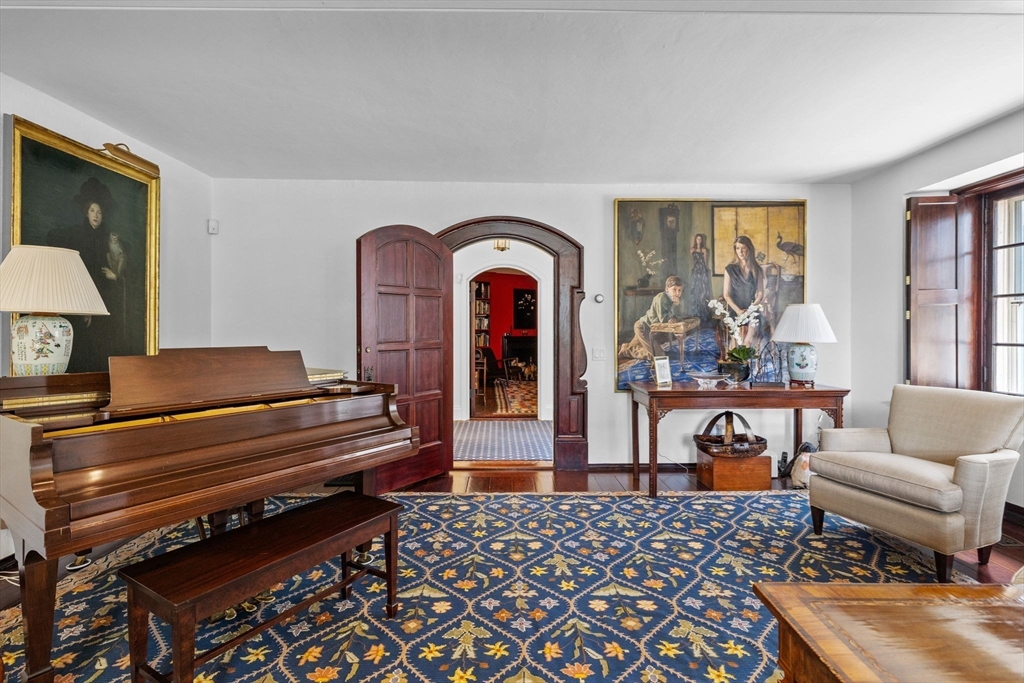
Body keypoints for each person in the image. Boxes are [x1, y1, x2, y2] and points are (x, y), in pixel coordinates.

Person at [47, 177, 136, 371]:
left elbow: (126, 269)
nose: (96, 215)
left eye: (99, 212)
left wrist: (117, 276)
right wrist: (85, 305)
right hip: (81, 301)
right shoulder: (75, 235)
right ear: (86, 213)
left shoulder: (110, 239)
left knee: (104, 346)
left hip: (106, 302)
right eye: (92, 211)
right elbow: (74, 271)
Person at [618, 275, 686, 361]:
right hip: (643, 327)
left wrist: (676, 314)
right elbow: (663, 320)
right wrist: (675, 307)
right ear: (667, 289)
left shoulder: (674, 300)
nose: (677, 293)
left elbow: (680, 316)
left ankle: (628, 348)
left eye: (679, 290)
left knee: (636, 346)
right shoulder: (661, 298)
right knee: (659, 356)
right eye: (674, 290)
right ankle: (627, 351)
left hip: (651, 328)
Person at [722, 234, 765, 348]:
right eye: (737, 248)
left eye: (743, 248)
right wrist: (738, 311)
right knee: (736, 340)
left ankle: (745, 361)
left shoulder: (757, 270)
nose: (740, 251)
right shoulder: (730, 269)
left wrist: (750, 310)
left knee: (749, 337)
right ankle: (734, 361)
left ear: (749, 249)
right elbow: (726, 294)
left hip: (751, 309)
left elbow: (760, 294)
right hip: (735, 309)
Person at [689, 233, 713, 323]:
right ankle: (696, 314)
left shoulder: (704, 250)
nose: (699, 241)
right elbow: (693, 261)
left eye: (700, 239)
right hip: (695, 272)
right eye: (697, 239)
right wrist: (695, 270)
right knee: (695, 291)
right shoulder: (691, 250)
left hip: (702, 271)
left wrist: (706, 271)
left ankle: (704, 315)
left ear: (702, 240)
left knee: (703, 292)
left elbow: (705, 262)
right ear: (695, 240)